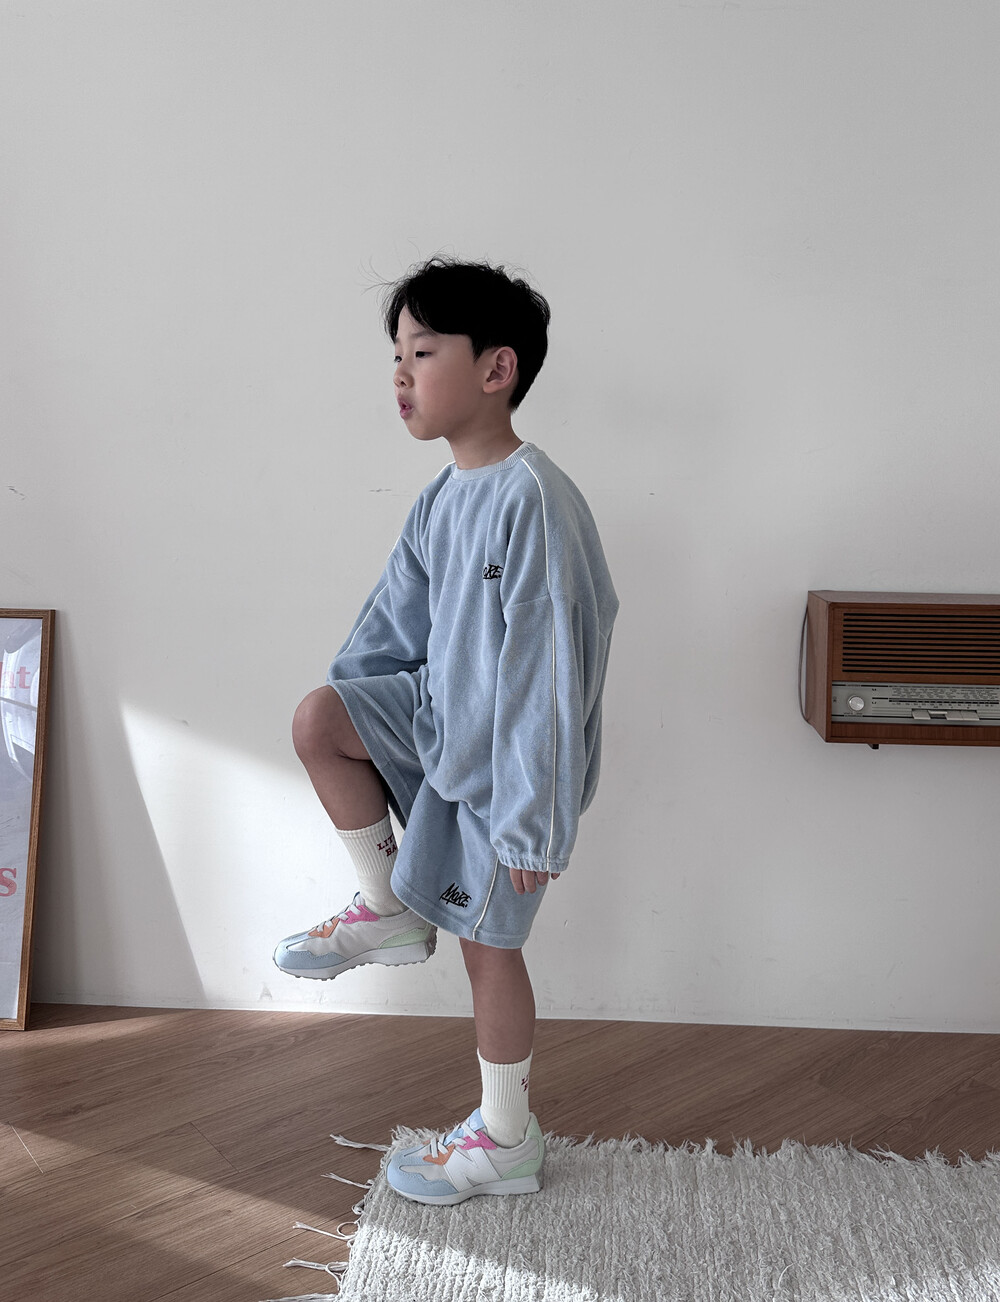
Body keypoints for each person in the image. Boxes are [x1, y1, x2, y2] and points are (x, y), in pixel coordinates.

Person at [274, 257, 618, 1206]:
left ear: (496, 369)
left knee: (486, 949)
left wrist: (532, 823)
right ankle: (388, 905)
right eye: (396, 355)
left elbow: (551, 672)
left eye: (422, 353)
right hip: (438, 725)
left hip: (511, 769)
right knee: (320, 719)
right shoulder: (442, 495)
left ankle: (506, 1139)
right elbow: (393, 621)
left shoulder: (533, 500)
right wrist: (365, 710)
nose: (400, 374)